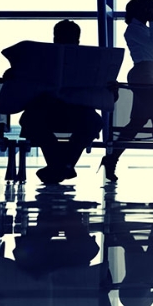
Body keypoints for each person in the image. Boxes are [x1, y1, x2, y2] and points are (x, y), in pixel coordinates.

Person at [12, 20, 107, 185]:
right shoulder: (42, 57)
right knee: (92, 121)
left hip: (62, 113)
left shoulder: (87, 61)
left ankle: (58, 166)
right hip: (59, 113)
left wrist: (110, 89)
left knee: (31, 119)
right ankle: (65, 165)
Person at [100, 0, 153, 184]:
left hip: (146, 75)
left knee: (140, 123)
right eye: (152, 8)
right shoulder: (133, 30)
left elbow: (151, 63)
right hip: (143, 76)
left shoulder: (141, 29)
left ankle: (112, 158)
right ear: (143, 10)